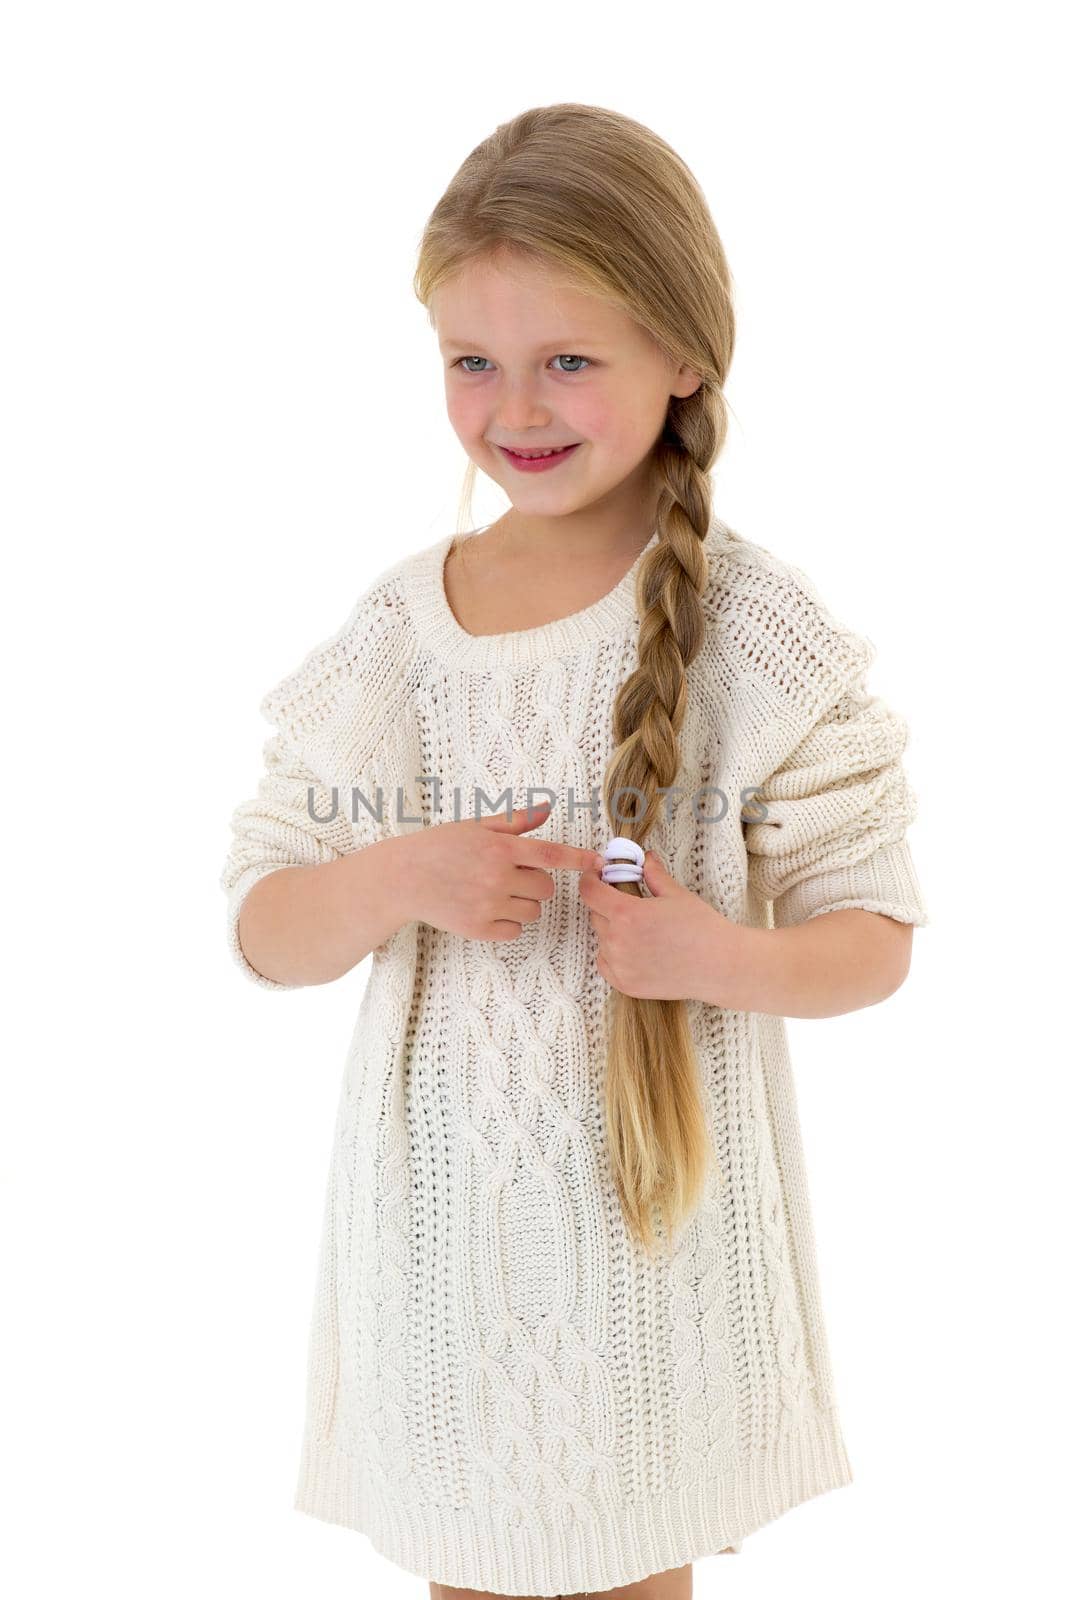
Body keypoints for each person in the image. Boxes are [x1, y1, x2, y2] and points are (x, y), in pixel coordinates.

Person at [219, 102, 929, 1600]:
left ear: (684, 357)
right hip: (444, 1255)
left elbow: (873, 929)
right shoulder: (403, 637)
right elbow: (266, 922)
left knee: (630, 1570)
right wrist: (401, 874)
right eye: (471, 360)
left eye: (568, 360)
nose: (514, 406)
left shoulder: (752, 627)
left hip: (653, 1236)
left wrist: (716, 957)